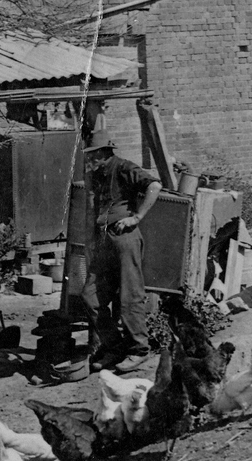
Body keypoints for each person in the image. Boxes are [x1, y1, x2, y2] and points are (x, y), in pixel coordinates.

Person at [81, 130, 162, 373]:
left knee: (129, 295)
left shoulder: (123, 167)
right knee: (90, 296)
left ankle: (138, 350)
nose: (89, 159)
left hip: (125, 239)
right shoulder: (97, 175)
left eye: (92, 154)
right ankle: (114, 347)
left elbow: (155, 186)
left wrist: (136, 217)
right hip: (105, 241)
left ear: (104, 152)